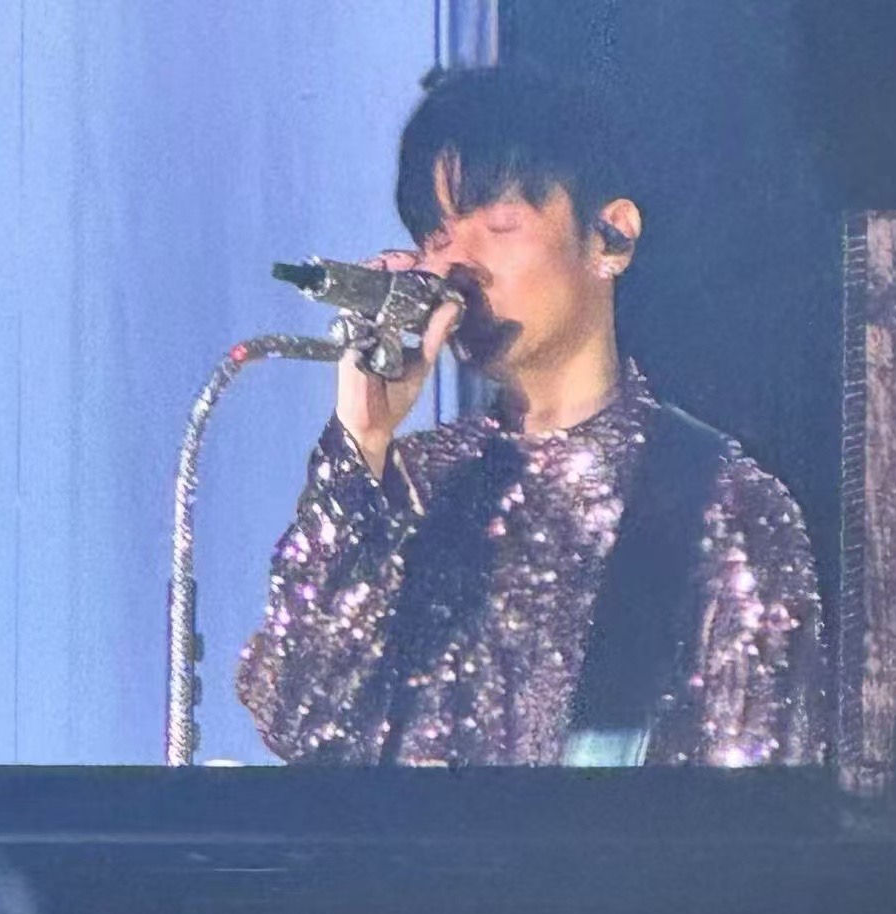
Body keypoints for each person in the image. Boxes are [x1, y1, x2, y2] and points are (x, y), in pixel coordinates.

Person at [237, 66, 826, 769]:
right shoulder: (410, 487)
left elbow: (762, 807)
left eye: (499, 226)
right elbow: (292, 714)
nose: (456, 266)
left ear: (611, 237)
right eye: (436, 237)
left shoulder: (721, 503)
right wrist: (360, 443)